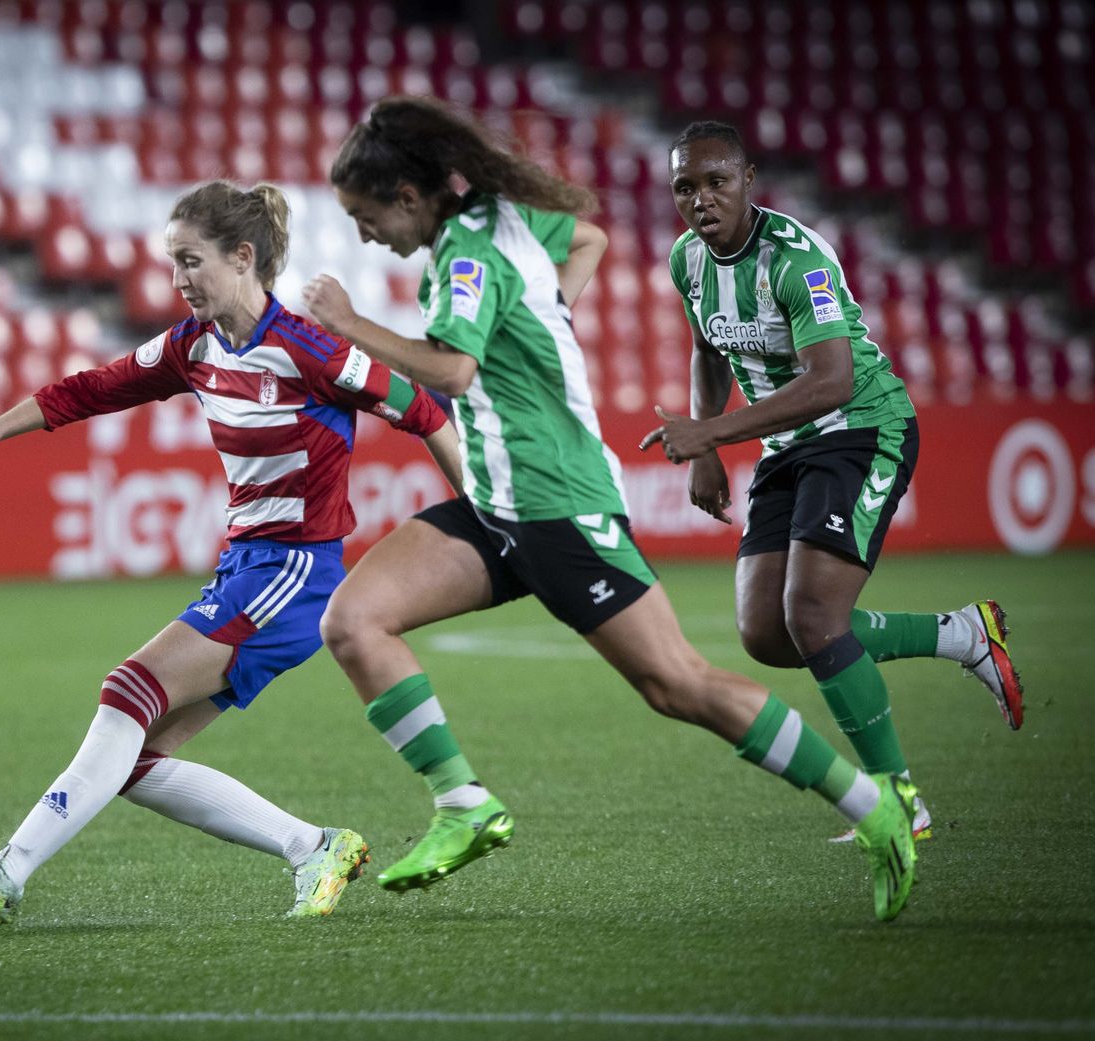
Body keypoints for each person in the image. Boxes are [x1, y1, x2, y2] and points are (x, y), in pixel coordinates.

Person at [302, 96, 918, 921]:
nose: (365, 233)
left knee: (680, 685)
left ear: (409, 198)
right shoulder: (502, 222)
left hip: (557, 504)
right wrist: (544, 317)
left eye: (365, 215)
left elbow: (450, 374)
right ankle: (464, 803)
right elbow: (587, 238)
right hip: (496, 500)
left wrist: (349, 325)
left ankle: (871, 807)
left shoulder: (467, 255)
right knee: (353, 620)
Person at [0, 180, 463, 925]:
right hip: (245, 568)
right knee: (136, 760)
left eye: (190, 260)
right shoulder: (192, 346)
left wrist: (486, 512)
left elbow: (427, 410)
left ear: (244, 257)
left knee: (127, 689)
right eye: (172, 263)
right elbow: (90, 389)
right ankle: (314, 845)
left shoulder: (312, 350)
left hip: (297, 575)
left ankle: (9, 869)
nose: (178, 279)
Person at [640, 120, 1025, 843]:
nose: (700, 199)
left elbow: (832, 380)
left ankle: (896, 799)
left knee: (814, 617)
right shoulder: (688, 261)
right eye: (684, 186)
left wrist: (715, 433)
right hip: (787, 442)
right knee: (765, 632)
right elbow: (708, 348)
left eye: (715, 181)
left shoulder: (797, 259)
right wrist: (703, 451)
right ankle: (964, 634)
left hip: (860, 426)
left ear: (749, 178)